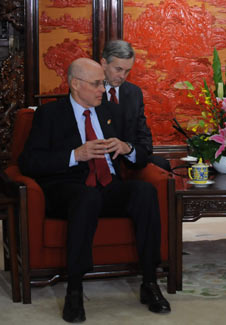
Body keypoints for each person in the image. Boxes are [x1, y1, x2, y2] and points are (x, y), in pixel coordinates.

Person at [18, 58, 171, 323]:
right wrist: (74, 155)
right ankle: (74, 291)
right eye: (97, 83)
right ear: (76, 84)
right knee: (86, 197)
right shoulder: (50, 114)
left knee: (144, 192)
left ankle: (149, 282)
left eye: (103, 82)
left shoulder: (111, 111)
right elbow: (29, 162)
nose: (104, 88)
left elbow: (144, 151)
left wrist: (128, 149)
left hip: (107, 186)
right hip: (66, 190)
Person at [100, 39, 171, 172]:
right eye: (118, 69)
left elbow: (144, 138)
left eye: (127, 71)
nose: (122, 76)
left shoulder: (134, 92)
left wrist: (129, 149)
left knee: (162, 164)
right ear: (104, 63)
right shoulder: (89, 90)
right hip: (101, 159)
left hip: (129, 158)